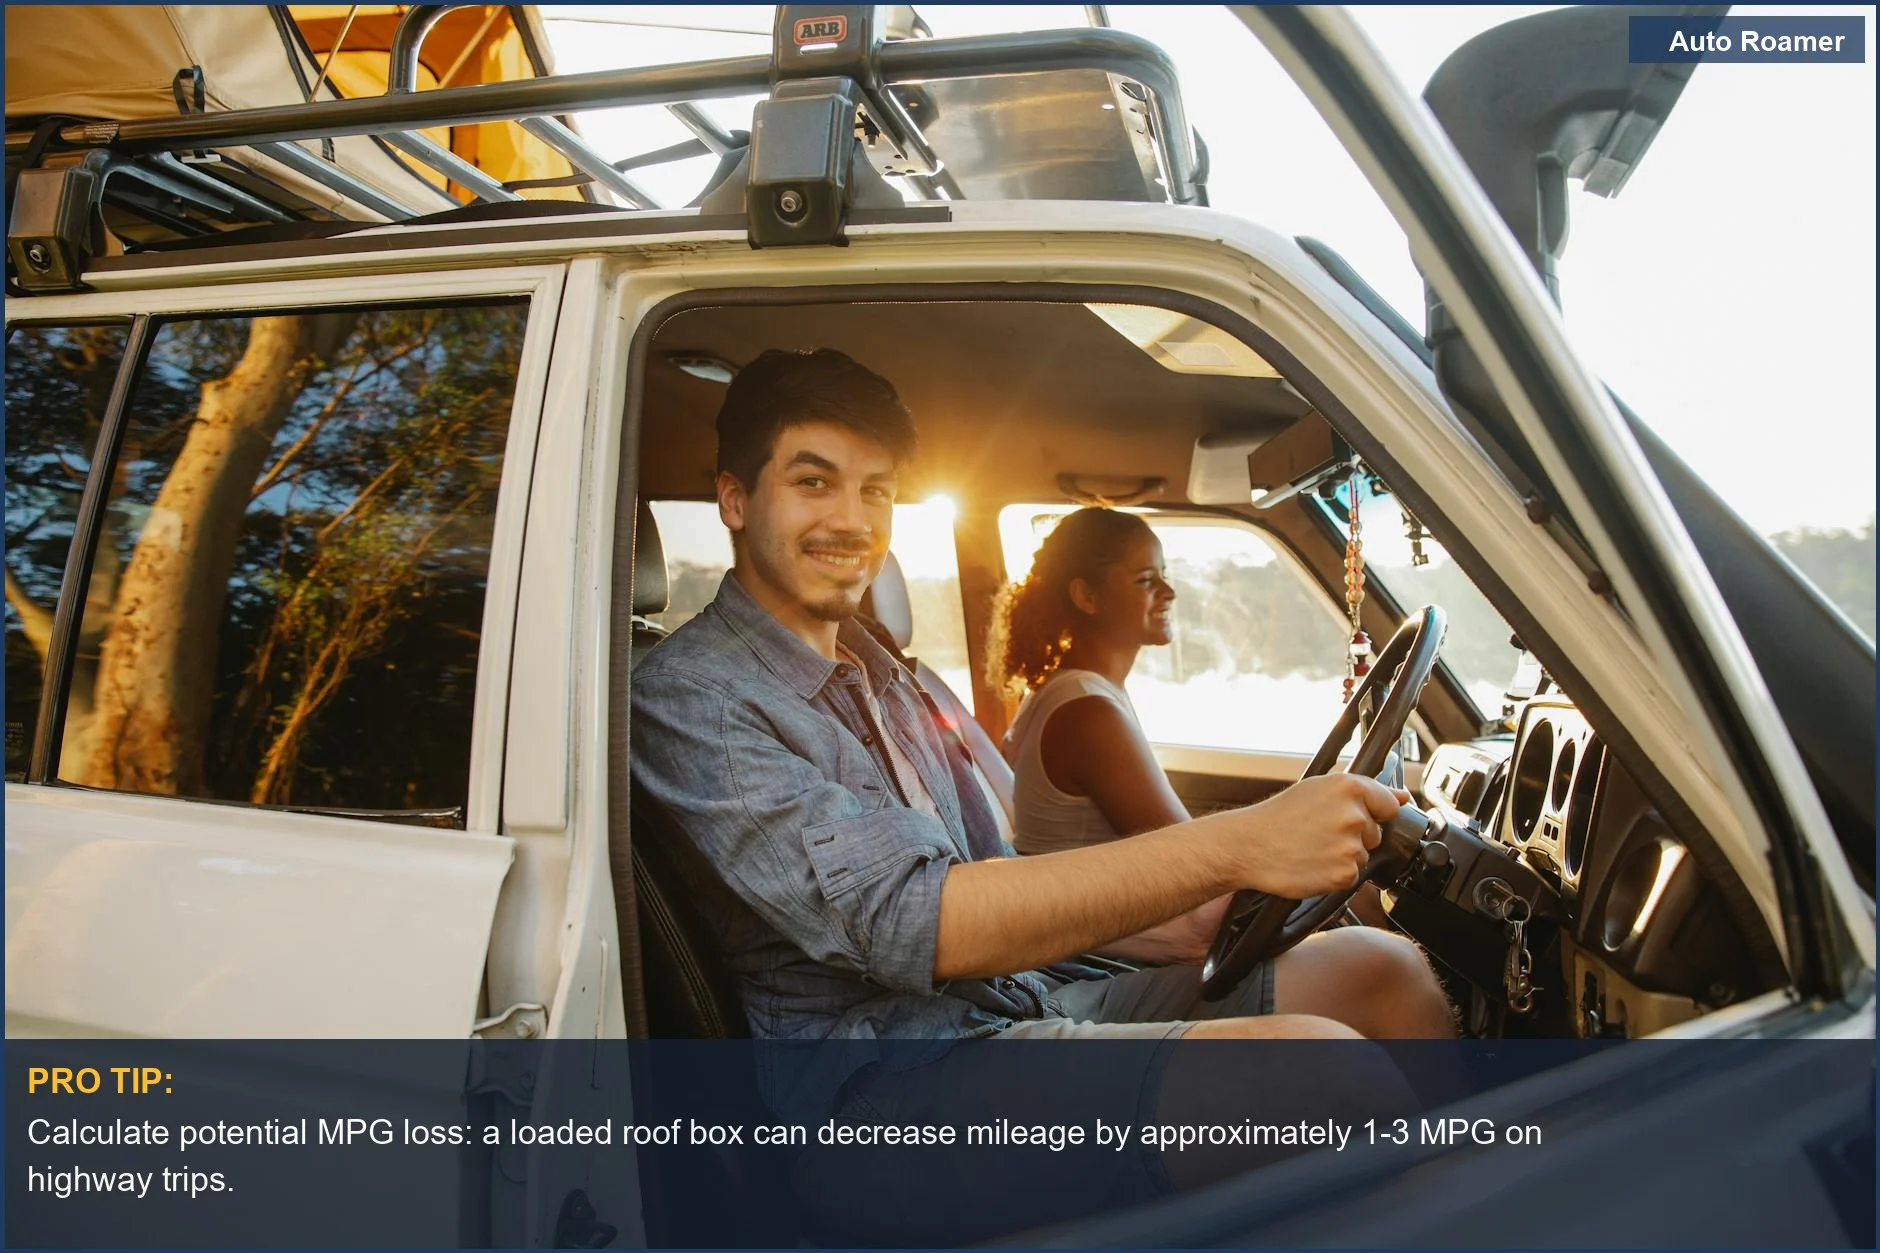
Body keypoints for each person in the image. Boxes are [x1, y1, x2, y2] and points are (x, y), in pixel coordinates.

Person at [629, 348, 1455, 1227]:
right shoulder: (694, 699)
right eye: (814, 482)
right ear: (734, 499)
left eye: (875, 491)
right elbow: (918, 917)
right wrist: (1242, 842)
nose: (853, 519)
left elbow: (1004, 864)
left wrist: (1209, 906)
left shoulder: (894, 677)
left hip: (1011, 1002)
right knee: (1321, 1075)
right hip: (874, 1099)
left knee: (1382, 971)